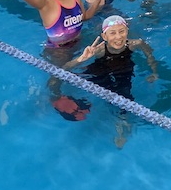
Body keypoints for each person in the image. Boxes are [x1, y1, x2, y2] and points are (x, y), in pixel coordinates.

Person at [63, 15, 158, 147]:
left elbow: (150, 55)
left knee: (124, 94)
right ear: (104, 36)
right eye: (112, 33)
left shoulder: (136, 44)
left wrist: (154, 72)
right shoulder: (99, 51)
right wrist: (81, 59)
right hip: (100, 68)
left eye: (121, 31)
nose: (118, 37)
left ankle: (122, 123)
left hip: (123, 68)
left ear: (127, 31)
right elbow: (64, 68)